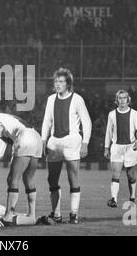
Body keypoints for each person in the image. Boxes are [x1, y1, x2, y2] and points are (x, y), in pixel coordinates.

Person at [39, 68, 92, 224]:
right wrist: (43, 139)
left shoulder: (77, 99)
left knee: (72, 177)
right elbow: (47, 120)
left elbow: (86, 122)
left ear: (68, 84)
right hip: (54, 142)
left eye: (61, 81)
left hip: (72, 141)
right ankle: (56, 214)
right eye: (56, 81)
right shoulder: (50, 99)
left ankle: (73, 214)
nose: (57, 84)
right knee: (52, 179)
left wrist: (85, 143)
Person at [0, 112, 42, 226]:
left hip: (25, 137)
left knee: (12, 179)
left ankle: (7, 217)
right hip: (36, 137)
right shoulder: (7, 122)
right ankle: (31, 215)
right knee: (28, 179)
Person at [104, 90, 137, 207]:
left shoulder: (134, 114)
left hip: (130, 147)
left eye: (124, 98)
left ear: (128, 100)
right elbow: (108, 132)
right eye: (120, 98)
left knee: (130, 174)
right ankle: (114, 199)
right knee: (115, 174)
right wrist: (106, 147)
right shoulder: (112, 114)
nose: (122, 100)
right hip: (116, 147)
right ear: (117, 100)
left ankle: (132, 197)